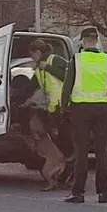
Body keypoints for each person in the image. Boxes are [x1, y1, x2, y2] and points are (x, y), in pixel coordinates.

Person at [61, 26, 107, 204]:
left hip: (80, 110)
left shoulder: (77, 60)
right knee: (101, 153)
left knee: (81, 153)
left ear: (82, 41)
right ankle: (103, 193)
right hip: (102, 111)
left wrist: (63, 109)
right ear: (97, 41)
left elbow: (67, 87)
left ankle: (78, 192)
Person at [28, 39, 73, 182]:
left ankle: (70, 172)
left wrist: (47, 67)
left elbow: (68, 76)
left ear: (38, 52)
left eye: (32, 54)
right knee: (60, 142)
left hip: (65, 107)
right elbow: (31, 87)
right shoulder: (38, 68)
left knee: (67, 143)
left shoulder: (55, 60)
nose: (31, 58)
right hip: (53, 109)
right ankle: (64, 172)